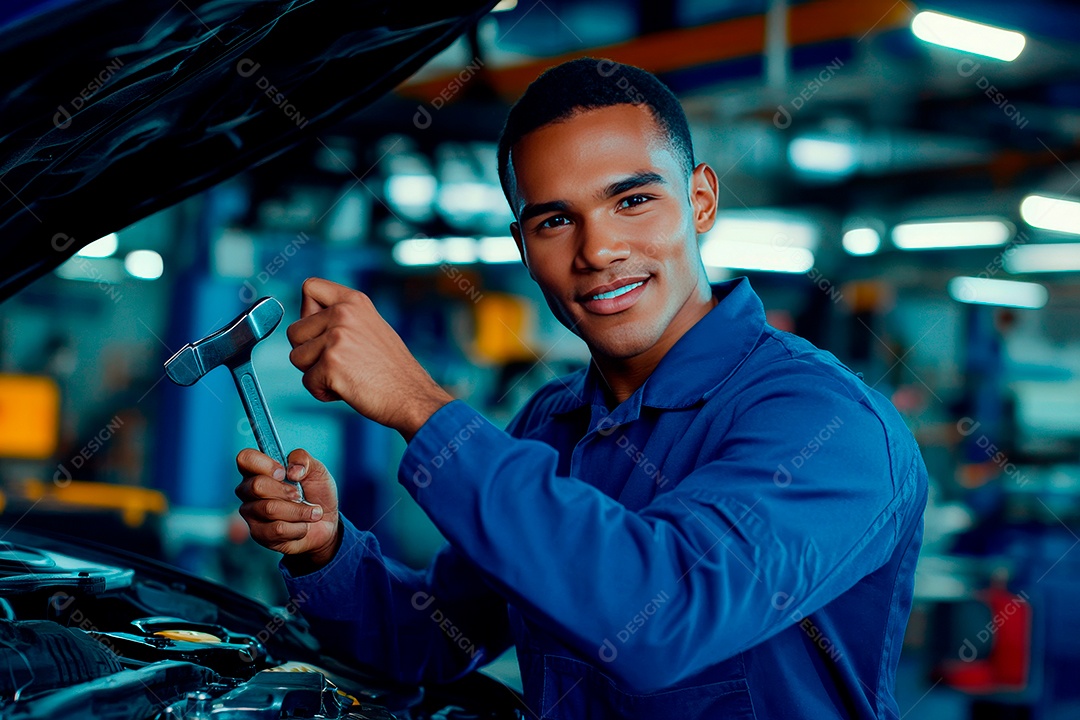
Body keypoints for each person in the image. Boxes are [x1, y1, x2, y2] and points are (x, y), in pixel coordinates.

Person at [235, 57, 928, 719]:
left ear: (702, 200)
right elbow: (441, 636)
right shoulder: (553, 422)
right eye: (556, 220)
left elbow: (661, 616)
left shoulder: (827, 424)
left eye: (632, 201)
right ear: (524, 247)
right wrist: (325, 549)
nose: (597, 250)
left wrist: (420, 405)